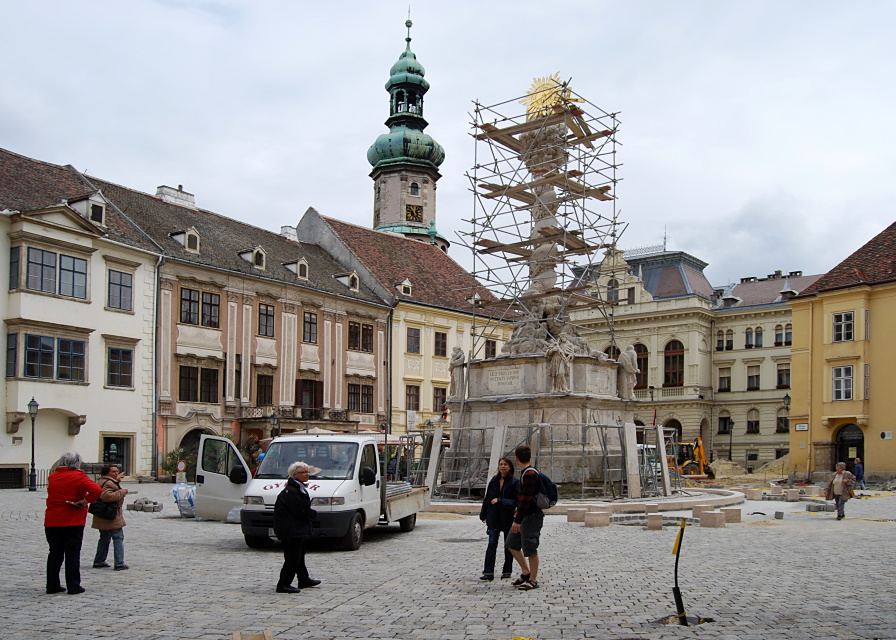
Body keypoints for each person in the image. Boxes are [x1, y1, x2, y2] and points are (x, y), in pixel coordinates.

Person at [44, 451, 102, 594]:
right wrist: (86, 500)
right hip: (72, 520)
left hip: (52, 520)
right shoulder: (78, 476)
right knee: (72, 553)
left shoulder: (53, 477)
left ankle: (52, 585)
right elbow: (96, 490)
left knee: (55, 553)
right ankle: (73, 585)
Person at [273, 461, 320, 593]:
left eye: (308, 472)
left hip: (296, 528)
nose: (307, 474)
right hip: (290, 529)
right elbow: (300, 510)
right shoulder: (291, 491)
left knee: (299, 555)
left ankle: (303, 579)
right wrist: (313, 515)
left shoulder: (298, 488)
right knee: (292, 557)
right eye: (304, 472)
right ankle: (283, 583)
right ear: (295, 474)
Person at [506, 445, 544, 590]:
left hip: (531, 517)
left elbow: (526, 499)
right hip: (524, 514)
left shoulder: (529, 475)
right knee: (511, 543)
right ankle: (526, 572)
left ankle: (533, 580)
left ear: (516, 459)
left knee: (531, 548)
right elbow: (523, 500)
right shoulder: (525, 473)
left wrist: (517, 520)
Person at [478, 457, 519, 581]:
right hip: (494, 517)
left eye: (505, 464)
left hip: (507, 517)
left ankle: (507, 570)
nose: (503, 466)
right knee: (492, 544)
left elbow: (516, 501)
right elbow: (487, 498)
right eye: (501, 464)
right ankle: (488, 572)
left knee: (508, 545)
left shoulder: (515, 482)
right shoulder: (494, 481)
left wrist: (501, 501)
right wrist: (483, 514)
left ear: (510, 467)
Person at [91, 464, 129, 570]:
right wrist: (122, 492)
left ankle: (99, 560)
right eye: (113, 472)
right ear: (107, 472)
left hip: (102, 515)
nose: (116, 473)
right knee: (118, 537)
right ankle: (119, 563)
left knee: (104, 538)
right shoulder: (108, 482)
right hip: (110, 515)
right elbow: (106, 496)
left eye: (117, 471)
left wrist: (117, 480)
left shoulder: (102, 481)